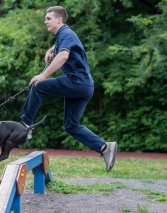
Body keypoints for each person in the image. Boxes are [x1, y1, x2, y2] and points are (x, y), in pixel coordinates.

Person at [20, 6, 117, 172]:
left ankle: (25, 125)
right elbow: (63, 48)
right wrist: (52, 49)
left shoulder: (66, 34)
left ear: (59, 20)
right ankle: (104, 147)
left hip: (76, 82)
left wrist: (43, 75)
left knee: (39, 86)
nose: (45, 21)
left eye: (48, 18)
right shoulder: (63, 36)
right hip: (84, 87)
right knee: (71, 126)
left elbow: (64, 56)